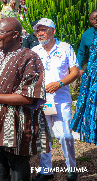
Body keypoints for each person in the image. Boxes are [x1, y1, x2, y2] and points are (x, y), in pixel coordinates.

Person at [0, 17, 50, 181]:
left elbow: (28, 97)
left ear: (15, 35)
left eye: (0, 32)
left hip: (16, 130)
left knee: (19, 174)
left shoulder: (29, 58)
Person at [32, 18, 79, 181]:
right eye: (38, 30)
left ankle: (72, 168)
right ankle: (46, 171)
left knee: (65, 135)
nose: (40, 33)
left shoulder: (65, 48)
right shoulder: (35, 50)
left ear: (53, 31)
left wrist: (59, 84)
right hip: (43, 101)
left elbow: (74, 72)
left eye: (44, 30)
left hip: (61, 99)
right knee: (44, 136)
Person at [70, 9, 97, 145]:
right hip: (92, 72)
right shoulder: (87, 34)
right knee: (89, 99)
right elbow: (81, 52)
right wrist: (79, 68)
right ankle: (88, 129)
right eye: (92, 18)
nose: (95, 20)